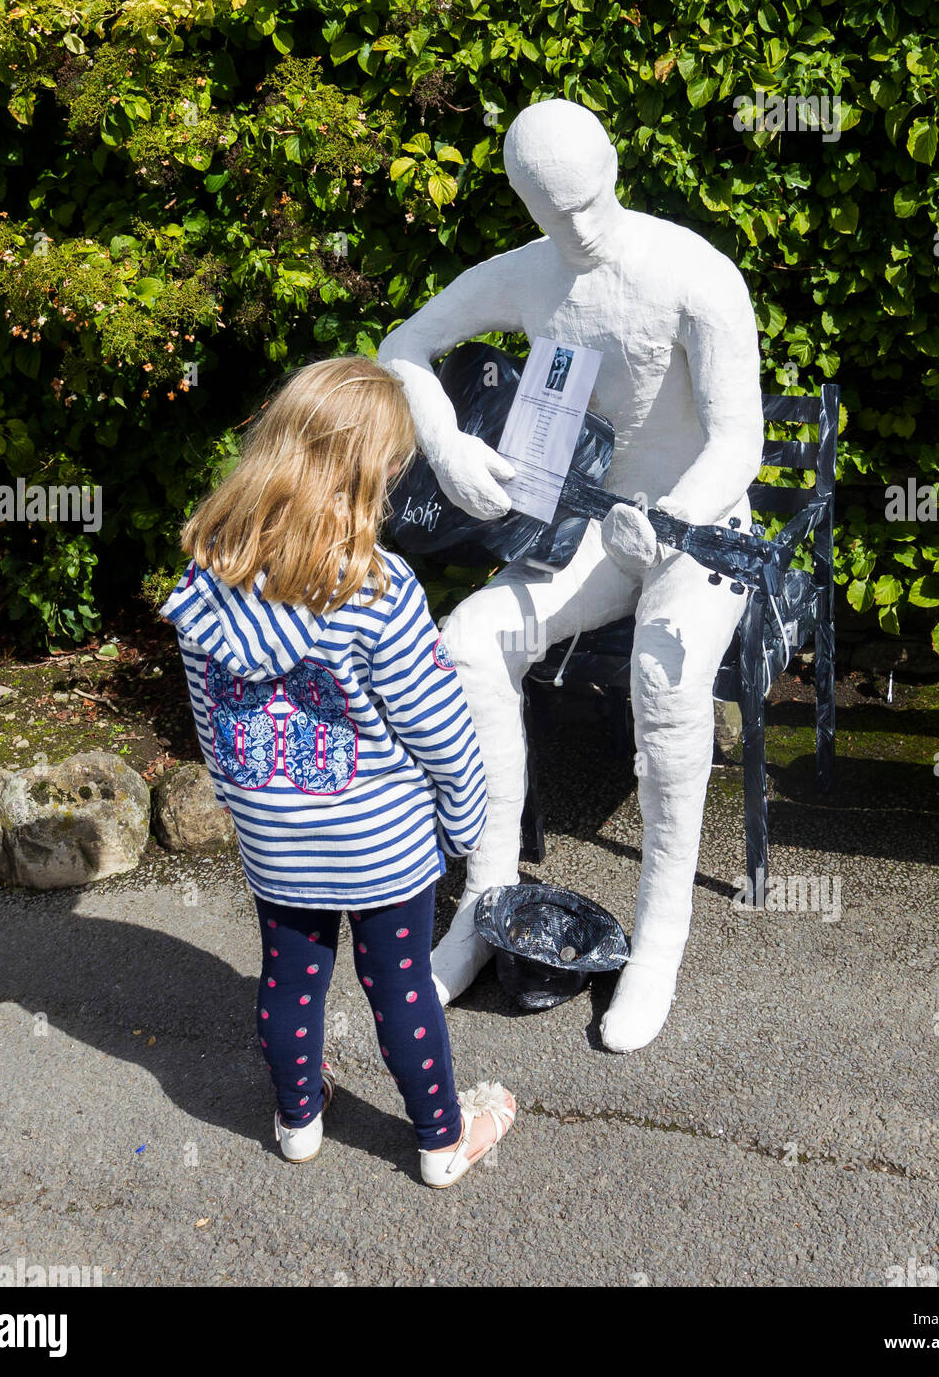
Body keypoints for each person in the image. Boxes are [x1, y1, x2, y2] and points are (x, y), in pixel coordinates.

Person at [378, 99, 764, 1054]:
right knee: (468, 640)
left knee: (667, 682)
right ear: (524, 202)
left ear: (613, 170)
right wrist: (448, 444)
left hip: (696, 526)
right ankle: (488, 893)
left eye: (590, 200)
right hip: (591, 525)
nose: (581, 228)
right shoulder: (524, 274)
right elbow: (402, 346)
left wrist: (672, 520)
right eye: (557, 212)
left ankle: (661, 932)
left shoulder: (692, 275)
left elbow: (739, 439)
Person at [159, 355, 517, 1187]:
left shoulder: (204, 579)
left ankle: (297, 1123)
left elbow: (209, 717)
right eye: (395, 463)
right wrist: (467, 822)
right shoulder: (377, 588)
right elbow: (438, 727)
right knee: (399, 985)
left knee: (289, 978)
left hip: (276, 836)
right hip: (382, 840)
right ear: (374, 471)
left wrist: (245, 808)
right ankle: (440, 1140)